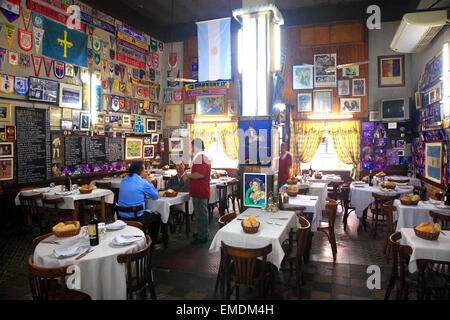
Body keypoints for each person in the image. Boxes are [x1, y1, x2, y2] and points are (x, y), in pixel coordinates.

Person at [118, 161, 160, 242]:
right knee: (157, 217)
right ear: (141, 171)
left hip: (122, 216)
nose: (145, 171)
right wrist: (148, 180)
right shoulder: (142, 182)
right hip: (137, 217)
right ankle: (151, 241)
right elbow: (155, 196)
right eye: (144, 169)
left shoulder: (123, 181)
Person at [187, 138, 211, 245]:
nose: (191, 149)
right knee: (199, 213)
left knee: (201, 213)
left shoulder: (202, 157)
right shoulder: (200, 157)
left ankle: (203, 236)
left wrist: (187, 176)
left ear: (195, 146)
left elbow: (200, 174)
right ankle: (201, 232)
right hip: (197, 190)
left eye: (192, 146)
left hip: (201, 190)